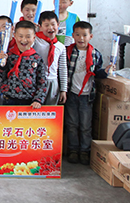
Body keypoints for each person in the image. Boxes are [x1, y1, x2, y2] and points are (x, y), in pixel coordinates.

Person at [65, 21, 108, 165]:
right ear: (73, 35)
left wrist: (106, 71)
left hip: (87, 96)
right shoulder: (68, 52)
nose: (81, 38)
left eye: (84, 35)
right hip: (71, 94)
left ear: (91, 36)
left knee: (85, 125)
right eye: (77, 34)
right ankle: (73, 150)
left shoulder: (95, 54)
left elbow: (97, 72)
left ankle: (85, 151)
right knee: (72, 124)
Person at [0, 20, 46, 107]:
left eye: (28, 36)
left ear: (34, 37)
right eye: (20, 36)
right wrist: (2, 64)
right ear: (15, 36)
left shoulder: (37, 58)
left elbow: (42, 82)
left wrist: (38, 100)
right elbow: (2, 76)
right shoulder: (9, 55)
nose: (24, 40)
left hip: (29, 101)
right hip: (9, 99)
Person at [34, 11, 68, 106]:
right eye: (46, 25)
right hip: (36, 81)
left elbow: (63, 69)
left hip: (53, 82)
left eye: (53, 24)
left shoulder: (61, 47)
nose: (50, 28)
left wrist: (63, 90)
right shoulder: (35, 41)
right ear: (40, 27)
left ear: (58, 25)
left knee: (51, 110)